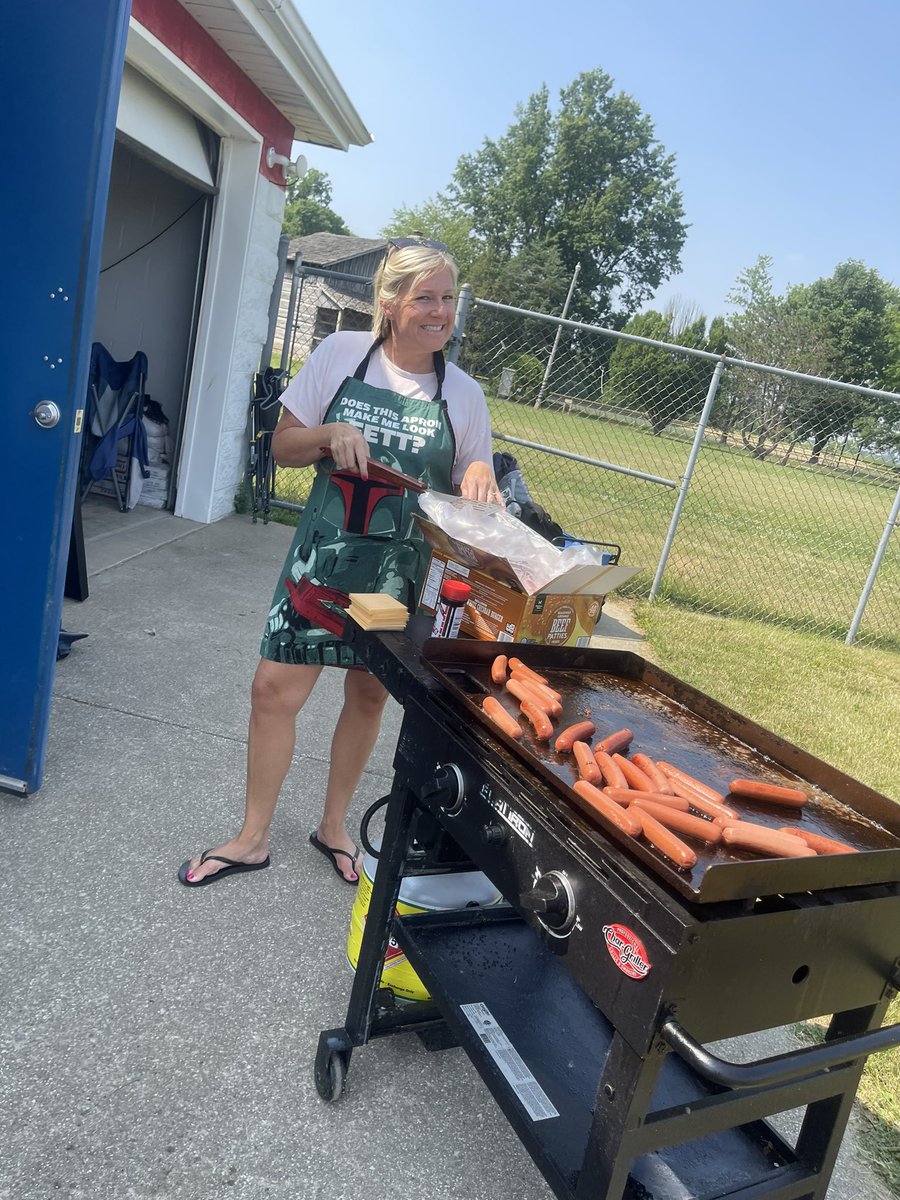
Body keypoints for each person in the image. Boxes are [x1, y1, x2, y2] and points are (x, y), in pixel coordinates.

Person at [178, 237, 502, 887]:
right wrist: (329, 434)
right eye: (425, 298)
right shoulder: (339, 355)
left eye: (449, 298)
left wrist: (479, 479)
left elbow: (475, 469)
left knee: (368, 692)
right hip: (323, 558)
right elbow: (285, 446)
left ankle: (333, 828)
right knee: (273, 690)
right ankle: (251, 836)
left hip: (398, 574)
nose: (441, 312)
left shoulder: (463, 395)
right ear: (389, 302)